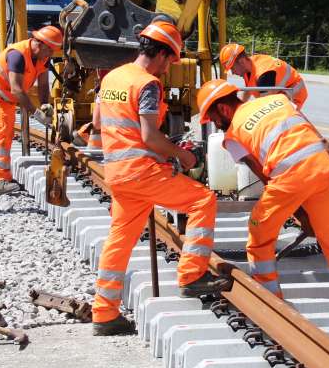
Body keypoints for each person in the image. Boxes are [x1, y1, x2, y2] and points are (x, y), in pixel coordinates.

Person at [92, 21, 229, 336]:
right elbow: (150, 136)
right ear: (163, 54)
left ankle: (104, 313)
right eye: (170, 60)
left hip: (118, 173)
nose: (169, 68)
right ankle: (192, 277)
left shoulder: (113, 76)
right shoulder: (148, 84)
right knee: (202, 200)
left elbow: (99, 122)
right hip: (143, 171)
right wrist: (183, 155)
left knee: (119, 240)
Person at [197, 78, 329, 299]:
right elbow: (322, 142)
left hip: (289, 178)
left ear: (223, 108)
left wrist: (301, 215)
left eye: (214, 118)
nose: (216, 124)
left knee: (259, 234)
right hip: (322, 169)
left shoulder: (232, 136)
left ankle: (267, 296)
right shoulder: (279, 100)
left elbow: (264, 177)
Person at [0, 25, 62, 195]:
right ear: (40, 44)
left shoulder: (42, 58)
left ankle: (4, 177)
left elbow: (43, 84)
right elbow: (17, 89)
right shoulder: (17, 55)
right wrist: (36, 114)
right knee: (0, 129)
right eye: (50, 51)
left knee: (7, 133)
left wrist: (45, 105)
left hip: (7, 99)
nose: (50, 55)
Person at [218, 43, 308, 109]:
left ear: (241, 62)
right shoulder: (249, 66)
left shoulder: (264, 74)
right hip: (281, 93)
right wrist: (240, 107)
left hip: (294, 93)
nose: (233, 73)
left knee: (278, 120)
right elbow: (249, 89)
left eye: (232, 68)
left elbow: (265, 105)